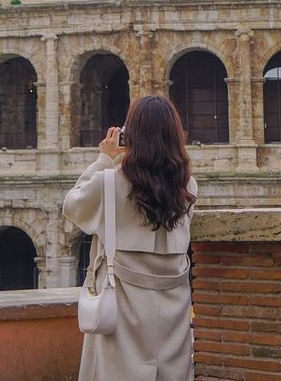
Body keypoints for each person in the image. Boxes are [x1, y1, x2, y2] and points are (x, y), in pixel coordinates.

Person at [63, 95, 198, 381]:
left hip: (122, 309)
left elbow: (72, 205)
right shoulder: (187, 187)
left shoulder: (109, 183)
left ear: (130, 136)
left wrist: (104, 159)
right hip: (172, 313)